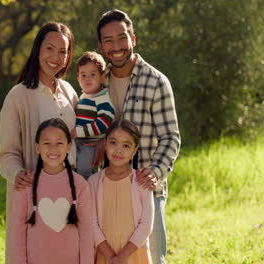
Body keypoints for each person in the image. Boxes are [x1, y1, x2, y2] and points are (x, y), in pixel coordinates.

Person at [95, 9, 181, 264]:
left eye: (122, 38)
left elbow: (170, 137)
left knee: (151, 259)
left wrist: (154, 172)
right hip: (106, 190)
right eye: (108, 41)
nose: (116, 46)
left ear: (133, 39)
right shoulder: (97, 83)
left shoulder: (156, 82)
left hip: (145, 190)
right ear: (100, 46)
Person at [0, 22, 78, 263]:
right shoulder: (19, 96)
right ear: (37, 50)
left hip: (71, 191)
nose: (56, 57)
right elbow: (7, 152)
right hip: (35, 192)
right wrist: (16, 172)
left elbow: (80, 139)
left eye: (62, 51)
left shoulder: (69, 92)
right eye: (49, 48)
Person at [8, 118, 94, 264]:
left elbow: (86, 232)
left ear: (68, 147)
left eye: (59, 143)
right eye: (46, 143)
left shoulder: (80, 185)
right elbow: (17, 233)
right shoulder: (26, 184)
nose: (53, 149)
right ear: (37, 148)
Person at [89, 119, 154, 264]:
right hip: (104, 256)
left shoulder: (142, 181)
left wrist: (122, 257)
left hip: (134, 255)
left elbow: (146, 224)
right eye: (113, 143)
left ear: (135, 150)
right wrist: (111, 257)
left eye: (126, 145)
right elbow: (91, 223)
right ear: (105, 144)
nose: (118, 150)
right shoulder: (93, 182)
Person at [73, 51, 115, 179]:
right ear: (78, 78)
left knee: (83, 170)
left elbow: (103, 123)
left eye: (93, 74)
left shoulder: (103, 99)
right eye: (83, 75)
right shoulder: (84, 97)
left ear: (102, 77)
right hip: (79, 141)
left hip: (92, 144)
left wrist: (78, 132)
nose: (87, 78)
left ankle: (85, 189)